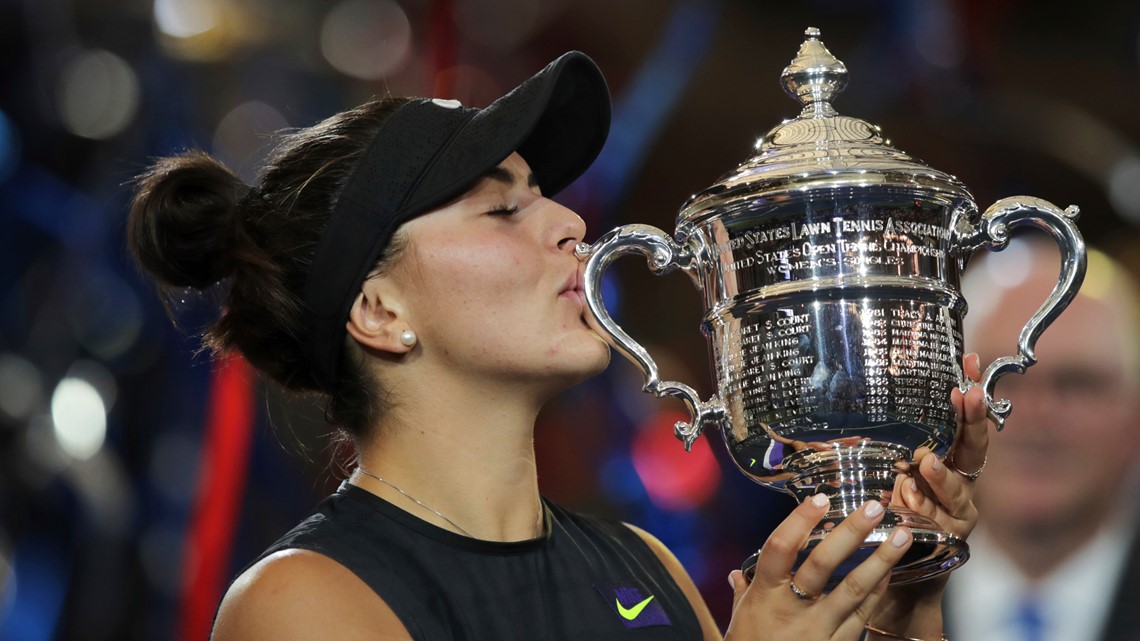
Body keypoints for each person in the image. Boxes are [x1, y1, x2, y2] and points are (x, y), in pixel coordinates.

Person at [127, 51, 989, 641]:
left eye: (544, 194)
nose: (572, 222)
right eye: (501, 209)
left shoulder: (642, 562)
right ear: (380, 310)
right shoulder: (301, 600)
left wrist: (903, 606)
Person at [946, 242, 1140, 641]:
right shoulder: (862, 608)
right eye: (1003, 379)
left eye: (1077, 383)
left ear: (1134, 415)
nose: (1036, 415)